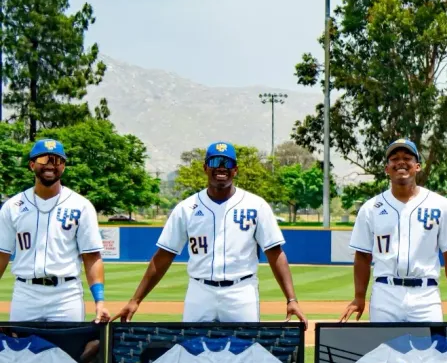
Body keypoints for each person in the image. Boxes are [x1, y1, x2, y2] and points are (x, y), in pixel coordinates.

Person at [116, 142, 306, 324]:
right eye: (215, 162)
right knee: (193, 351)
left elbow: (275, 253)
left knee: (245, 352)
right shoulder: (186, 208)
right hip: (200, 291)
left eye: (227, 163)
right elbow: (163, 256)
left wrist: (291, 299)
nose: (221, 168)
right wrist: (135, 300)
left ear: (236, 169)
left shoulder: (256, 205)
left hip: (241, 291)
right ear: (205, 167)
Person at [340, 138, 447, 323]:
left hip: (426, 294)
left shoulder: (440, 205)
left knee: (430, 351)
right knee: (385, 351)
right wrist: (359, 296)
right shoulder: (371, 208)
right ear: (387, 168)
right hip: (385, 293)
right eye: (394, 158)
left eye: (407, 157)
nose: (401, 162)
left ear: (417, 166)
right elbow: (362, 256)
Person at [0, 138, 108, 322]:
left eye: (57, 160)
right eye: (44, 160)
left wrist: (100, 301)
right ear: (32, 165)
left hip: (65, 295)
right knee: (22, 350)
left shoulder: (81, 205)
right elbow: (2, 254)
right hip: (25, 293)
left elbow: (91, 257)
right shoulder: (13, 206)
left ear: (63, 167)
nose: (50, 165)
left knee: (67, 350)